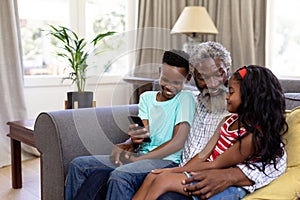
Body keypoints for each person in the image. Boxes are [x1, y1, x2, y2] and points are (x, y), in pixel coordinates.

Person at [105, 42, 286, 200]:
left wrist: (231, 176)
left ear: (228, 71)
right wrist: (131, 142)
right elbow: (154, 123)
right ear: (192, 78)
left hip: (201, 174)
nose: (212, 83)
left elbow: (276, 159)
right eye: (202, 76)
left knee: (135, 180)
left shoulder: (242, 111)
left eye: (219, 74)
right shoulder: (187, 100)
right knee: (97, 171)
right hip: (182, 166)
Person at [64, 49, 196, 200]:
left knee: (120, 176)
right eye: (165, 79)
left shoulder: (185, 98)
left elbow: (178, 142)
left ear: (187, 78)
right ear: (160, 72)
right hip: (141, 156)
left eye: (176, 82)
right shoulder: (147, 98)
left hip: (166, 161)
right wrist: (133, 141)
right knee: (78, 165)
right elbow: (144, 134)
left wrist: (139, 160)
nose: (169, 86)